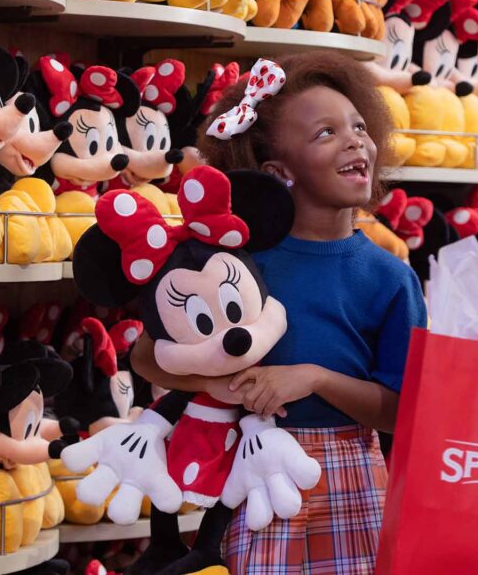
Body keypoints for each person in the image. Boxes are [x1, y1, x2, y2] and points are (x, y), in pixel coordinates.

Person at [131, 51, 427, 573]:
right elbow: (147, 357)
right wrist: (214, 383)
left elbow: (407, 413)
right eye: (326, 133)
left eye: (359, 126)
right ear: (277, 172)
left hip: (354, 482)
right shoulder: (234, 266)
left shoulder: (390, 276)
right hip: (250, 474)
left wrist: (313, 379)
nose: (356, 140)